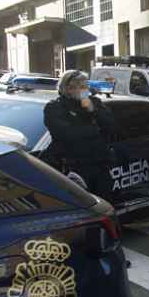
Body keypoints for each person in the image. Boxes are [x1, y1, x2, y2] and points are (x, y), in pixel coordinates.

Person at [44, 69, 118, 203]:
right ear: (69, 89)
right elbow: (68, 135)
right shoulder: (55, 108)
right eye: (82, 86)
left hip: (100, 167)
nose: (86, 89)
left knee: (106, 205)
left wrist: (94, 111)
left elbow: (112, 127)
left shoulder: (93, 102)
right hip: (76, 169)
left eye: (86, 85)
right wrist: (94, 127)